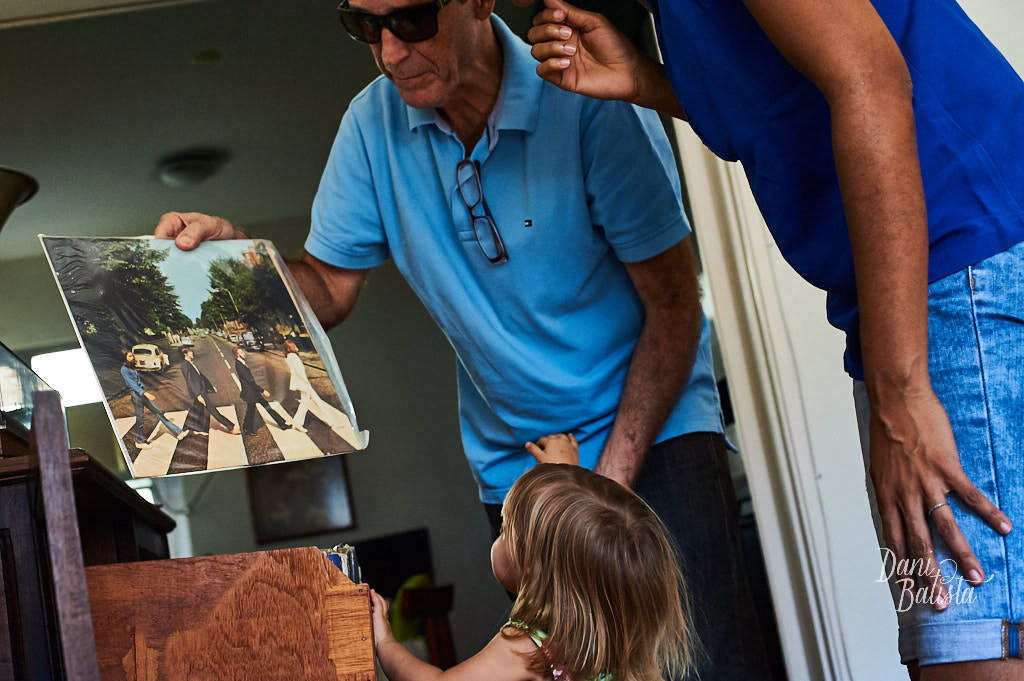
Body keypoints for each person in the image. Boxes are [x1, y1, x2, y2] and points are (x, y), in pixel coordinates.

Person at [154, 0, 771, 676]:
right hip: (522, 469)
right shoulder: (369, 126)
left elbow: (677, 306)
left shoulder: (588, 95)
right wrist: (240, 266)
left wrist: (595, 495)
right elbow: (327, 290)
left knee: (706, 667)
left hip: (653, 439)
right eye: (365, 27)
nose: (390, 53)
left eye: (412, 20)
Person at [526, 0, 1024, 676]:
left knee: (965, 653)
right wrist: (646, 80)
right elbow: (782, 99)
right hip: (917, 294)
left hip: (956, 267)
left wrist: (900, 392)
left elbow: (870, 78)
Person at [370, 443, 696, 681]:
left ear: (534, 570)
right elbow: (577, 542)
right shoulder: (622, 648)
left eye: (504, 528)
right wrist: (562, 473)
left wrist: (384, 642)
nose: (497, 537)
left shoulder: (531, 647)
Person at [284, 340, 361, 445]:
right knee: (316, 402)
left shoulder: (289, 357)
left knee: (305, 403)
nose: (296, 347)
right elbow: (299, 371)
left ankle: (297, 423)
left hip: (301, 383)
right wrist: (306, 382)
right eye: (294, 346)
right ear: (290, 348)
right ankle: (332, 422)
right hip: (303, 383)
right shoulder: (293, 357)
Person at [120, 351, 190, 448]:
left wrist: (143, 389)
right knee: (140, 418)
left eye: (132, 355)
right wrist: (145, 393)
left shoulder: (132, 367)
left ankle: (178, 432)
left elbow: (138, 380)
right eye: (130, 356)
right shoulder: (124, 370)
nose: (133, 357)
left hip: (141, 393)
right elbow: (132, 384)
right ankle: (139, 442)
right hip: (136, 395)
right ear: (125, 358)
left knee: (158, 412)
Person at [181, 347, 241, 436]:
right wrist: (198, 395)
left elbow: (201, 377)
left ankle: (188, 429)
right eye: (190, 352)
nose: (192, 353)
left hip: (201, 391)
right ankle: (231, 427)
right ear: (185, 354)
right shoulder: (185, 365)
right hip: (199, 392)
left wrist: (211, 387)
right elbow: (190, 381)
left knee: (196, 410)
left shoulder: (190, 364)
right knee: (213, 410)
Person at [233, 346, 291, 435]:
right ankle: (247, 429)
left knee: (262, 408)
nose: (244, 353)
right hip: (250, 393)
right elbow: (250, 381)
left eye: (243, 352)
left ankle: (282, 424)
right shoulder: (239, 365)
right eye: (241, 353)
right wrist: (262, 390)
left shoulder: (242, 362)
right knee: (251, 411)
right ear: (237, 355)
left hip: (253, 391)